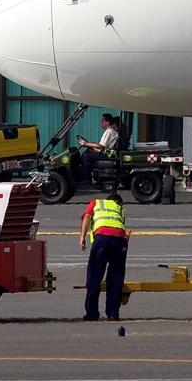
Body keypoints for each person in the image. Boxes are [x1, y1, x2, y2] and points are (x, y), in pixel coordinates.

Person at [80, 192, 131, 321]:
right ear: (118, 202)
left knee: (95, 275)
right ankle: (113, 313)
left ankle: (92, 314)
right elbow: (122, 228)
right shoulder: (119, 209)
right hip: (119, 240)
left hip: (102, 239)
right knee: (116, 277)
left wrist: (82, 238)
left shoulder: (96, 203)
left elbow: (86, 216)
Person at [79, 114, 123, 186]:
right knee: (87, 152)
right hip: (106, 153)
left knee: (86, 156)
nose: (101, 123)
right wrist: (93, 149)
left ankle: (86, 179)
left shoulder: (109, 132)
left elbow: (100, 146)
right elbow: (103, 148)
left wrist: (86, 144)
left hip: (107, 156)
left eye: (102, 121)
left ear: (107, 123)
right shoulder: (110, 131)